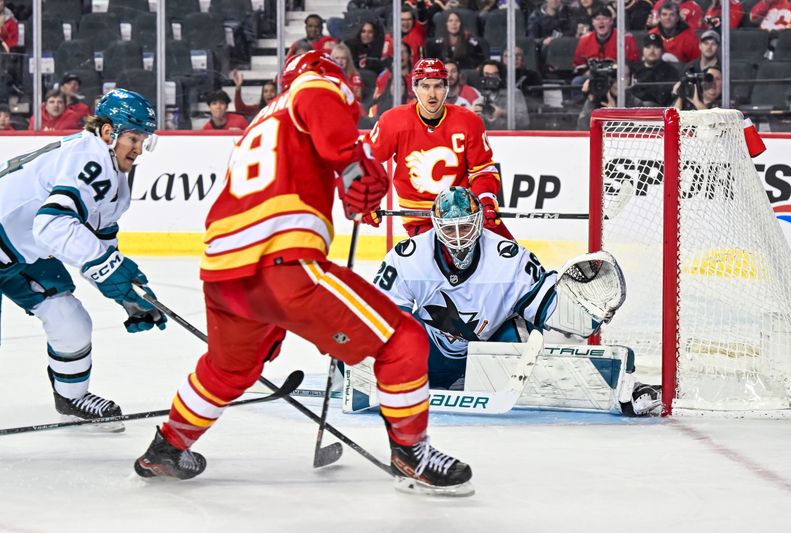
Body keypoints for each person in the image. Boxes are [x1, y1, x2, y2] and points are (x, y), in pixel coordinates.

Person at [133, 51, 473, 496]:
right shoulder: (314, 86)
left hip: (224, 272)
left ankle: (167, 447)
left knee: (226, 370)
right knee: (403, 341)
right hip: (282, 264)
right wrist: (355, 166)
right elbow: (339, 144)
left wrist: (351, 180)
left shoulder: (261, 124)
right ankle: (413, 454)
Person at [372, 187, 663, 415]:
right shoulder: (408, 257)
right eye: (450, 229)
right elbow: (380, 319)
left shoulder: (509, 258)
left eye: (466, 227)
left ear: (479, 222)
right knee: (391, 330)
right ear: (436, 226)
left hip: (487, 362)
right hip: (427, 359)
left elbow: (551, 309)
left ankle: (619, 389)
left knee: (527, 333)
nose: (459, 238)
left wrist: (585, 315)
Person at [0, 89, 166, 425]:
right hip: (15, 242)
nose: (138, 149)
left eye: (143, 140)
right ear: (108, 132)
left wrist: (127, 294)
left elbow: (98, 241)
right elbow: (53, 223)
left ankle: (72, 397)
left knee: (70, 321)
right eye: (133, 138)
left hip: (20, 251)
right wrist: (109, 269)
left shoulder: (114, 175)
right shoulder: (89, 158)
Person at [364, 57, 513, 240]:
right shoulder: (393, 121)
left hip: (466, 214)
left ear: (447, 88)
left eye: (438, 86)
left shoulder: (469, 121)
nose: (432, 94)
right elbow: (365, 161)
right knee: (443, 265)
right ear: (415, 88)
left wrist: (486, 199)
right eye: (425, 86)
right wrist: (366, 200)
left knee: (514, 258)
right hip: (420, 220)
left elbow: (482, 170)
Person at [573, 7, 640, 81]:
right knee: (577, 81)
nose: (601, 22)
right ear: (593, 22)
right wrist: (590, 74)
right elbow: (578, 65)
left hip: (617, 78)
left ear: (611, 21)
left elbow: (633, 64)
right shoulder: (584, 40)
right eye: (597, 19)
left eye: (605, 18)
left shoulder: (625, 38)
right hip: (593, 79)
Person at [473, 60, 530, 130]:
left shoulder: (514, 94)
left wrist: (503, 113)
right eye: (487, 75)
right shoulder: (479, 97)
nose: (491, 78)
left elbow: (525, 121)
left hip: (510, 137)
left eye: (495, 74)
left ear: (500, 76)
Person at [630, 33, 680, 106]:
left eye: (656, 47)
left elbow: (671, 97)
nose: (652, 51)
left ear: (662, 50)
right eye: (648, 47)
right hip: (636, 112)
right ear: (642, 50)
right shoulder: (634, 70)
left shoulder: (670, 71)